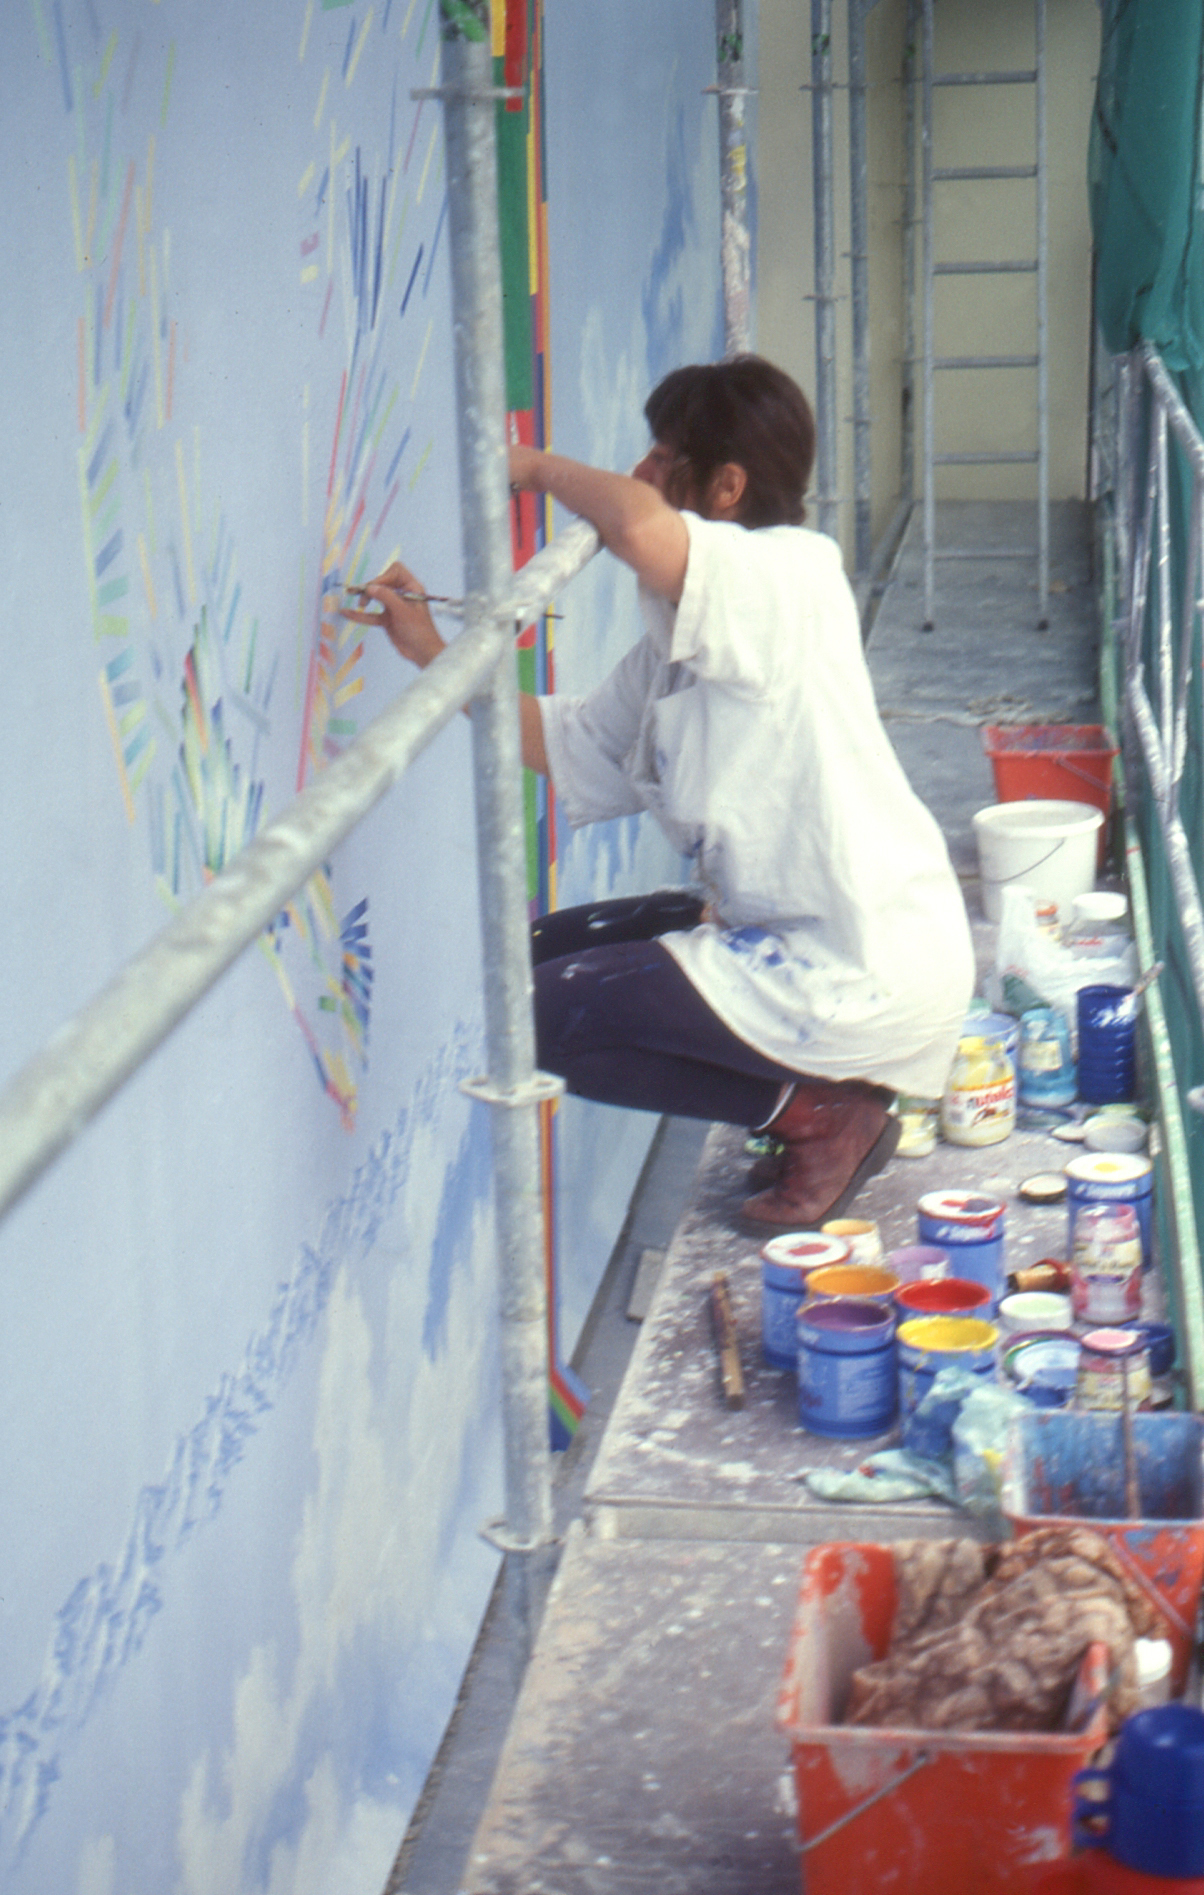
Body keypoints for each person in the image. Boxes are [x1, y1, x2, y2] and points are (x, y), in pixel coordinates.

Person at [342, 355, 974, 1227]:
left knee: (542, 1018)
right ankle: (816, 1100)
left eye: (660, 456)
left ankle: (823, 1117)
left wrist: (528, 467)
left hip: (863, 959)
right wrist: (426, 650)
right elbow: (565, 744)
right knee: (525, 962)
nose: (639, 473)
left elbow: (637, 528)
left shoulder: (791, 576)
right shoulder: (682, 640)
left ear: (725, 487)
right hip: (797, 931)